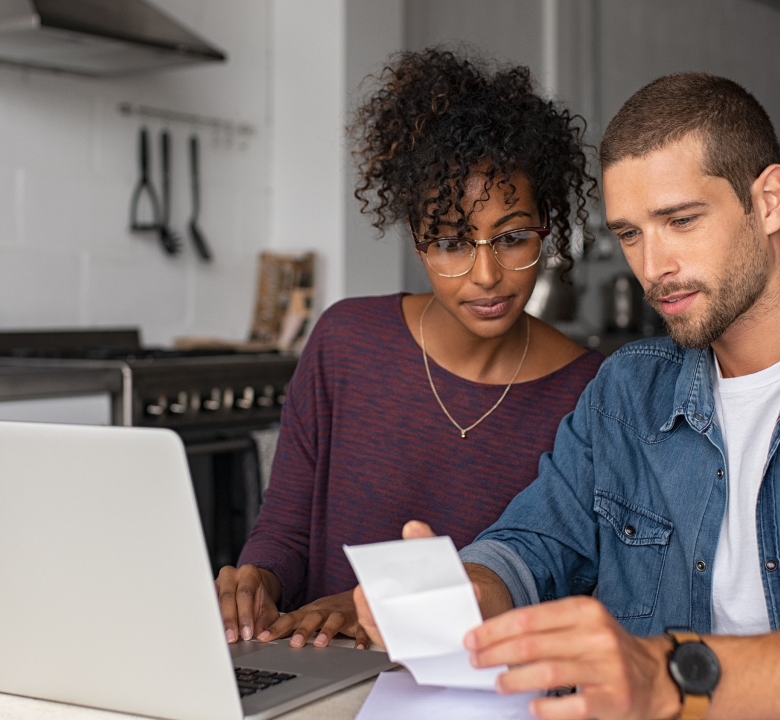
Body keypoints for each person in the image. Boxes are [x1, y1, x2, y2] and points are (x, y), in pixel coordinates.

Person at [356, 72, 780, 719]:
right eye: (631, 233)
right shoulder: (625, 390)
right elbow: (532, 545)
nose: (652, 267)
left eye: (680, 220)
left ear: (769, 202)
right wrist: (467, 591)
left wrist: (673, 677)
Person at [216, 49, 603, 652]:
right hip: (321, 676)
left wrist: (378, 608)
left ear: (547, 230)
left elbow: (563, 585)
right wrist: (257, 580)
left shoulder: (590, 392)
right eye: (450, 242)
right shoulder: (345, 342)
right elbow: (286, 532)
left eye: (513, 237)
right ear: (418, 242)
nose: (485, 274)